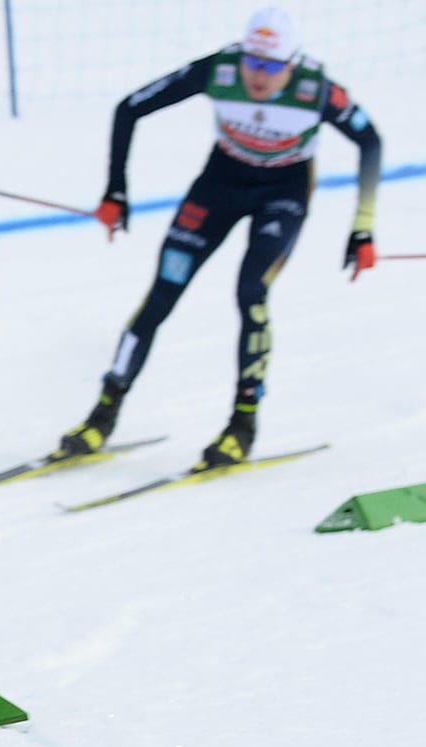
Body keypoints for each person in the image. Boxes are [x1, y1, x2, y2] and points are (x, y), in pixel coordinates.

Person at [55, 6, 380, 471]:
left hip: (284, 192)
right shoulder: (219, 70)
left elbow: (370, 141)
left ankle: (242, 426)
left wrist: (362, 227)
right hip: (220, 183)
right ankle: (102, 415)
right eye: (253, 61)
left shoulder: (316, 89)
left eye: (272, 65)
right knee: (162, 293)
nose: (259, 75)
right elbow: (129, 108)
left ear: (292, 64)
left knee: (251, 292)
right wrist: (116, 191)